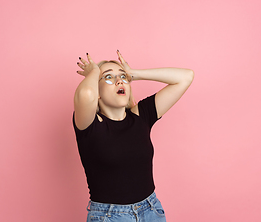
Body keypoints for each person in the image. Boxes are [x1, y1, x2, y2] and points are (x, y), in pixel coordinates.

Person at [72, 50, 194, 222]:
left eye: (122, 77)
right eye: (108, 77)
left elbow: (186, 77)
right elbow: (85, 94)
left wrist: (134, 74)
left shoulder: (141, 116)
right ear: (97, 91)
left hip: (151, 210)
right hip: (109, 216)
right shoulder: (90, 124)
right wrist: (93, 71)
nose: (118, 80)